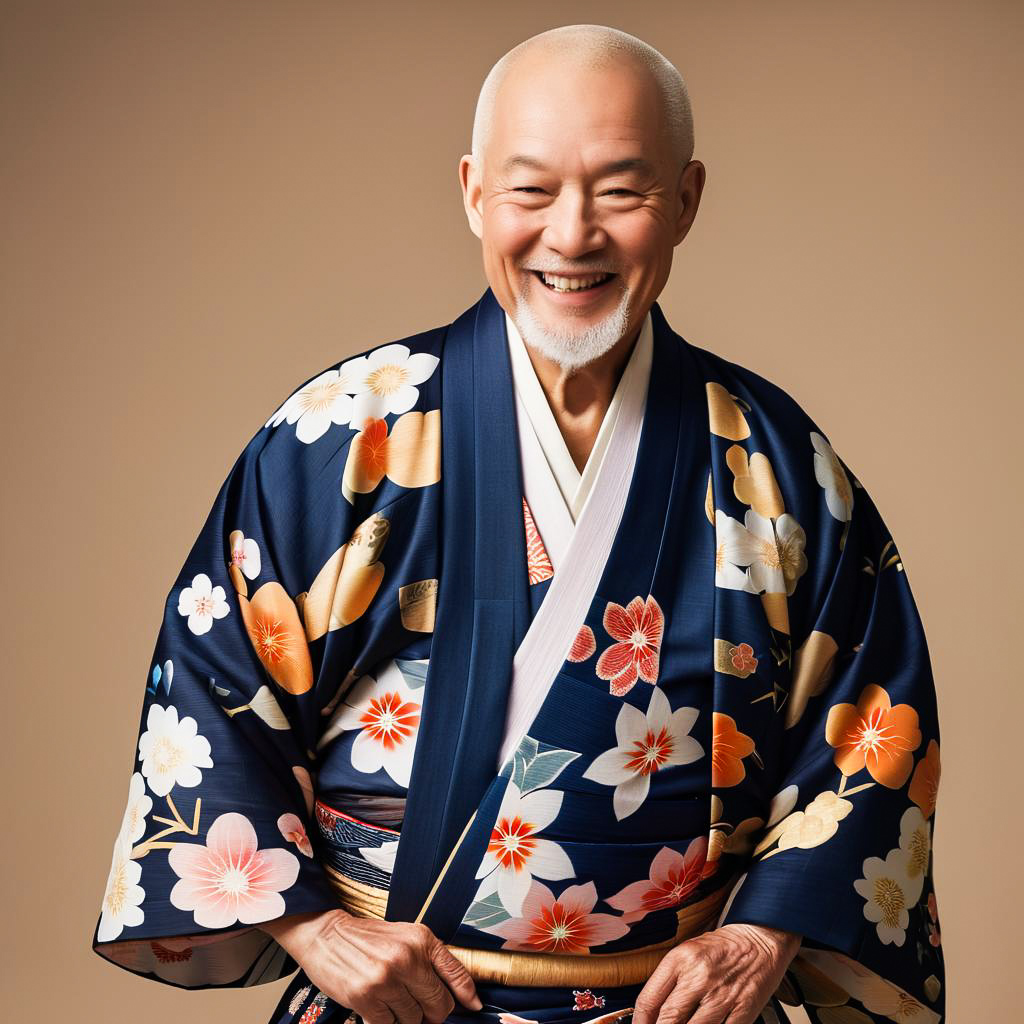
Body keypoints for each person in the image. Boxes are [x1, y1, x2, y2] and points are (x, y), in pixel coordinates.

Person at [92, 23, 945, 1024]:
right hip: (394, 1008)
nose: (572, 234)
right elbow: (211, 684)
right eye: (531, 191)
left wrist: (763, 929)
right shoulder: (346, 435)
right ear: (471, 192)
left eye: (620, 190)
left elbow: (870, 726)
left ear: (686, 199)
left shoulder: (773, 463)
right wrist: (312, 927)